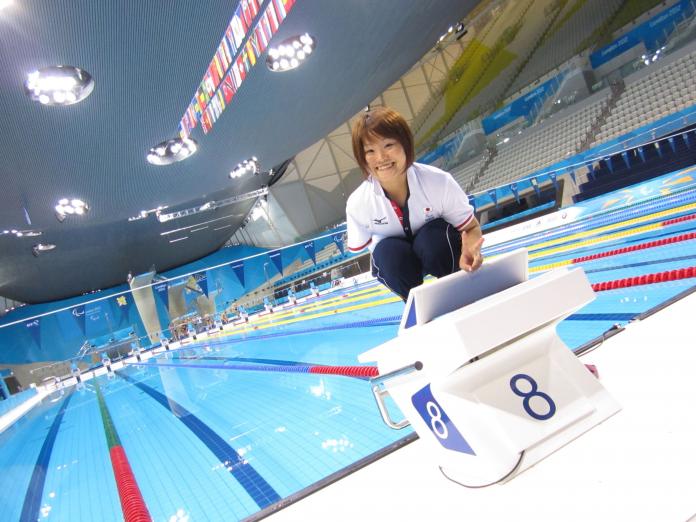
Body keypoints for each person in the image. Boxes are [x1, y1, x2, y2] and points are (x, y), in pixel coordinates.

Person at [346, 106, 483, 301]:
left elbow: (471, 227)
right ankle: (413, 301)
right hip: (400, 266)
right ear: (362, 158)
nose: (381, 158)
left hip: (441, 255)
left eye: (388, 145)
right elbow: (366, 250)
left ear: (405, 144)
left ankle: (460, 285)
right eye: (370, 150)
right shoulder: (358, 203)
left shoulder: (438, 182)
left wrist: (471, 250)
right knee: (387, 254)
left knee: (433, 241)